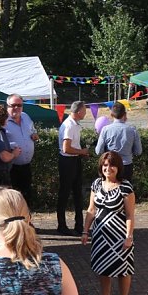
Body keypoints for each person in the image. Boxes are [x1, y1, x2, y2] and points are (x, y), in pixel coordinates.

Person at [81, 152, 136, 295]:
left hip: (119, 237)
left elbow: (130, 215)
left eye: (112, 165)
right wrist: (85, 231)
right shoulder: (97, 184)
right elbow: (91, 210)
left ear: (118, 167)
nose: (108, 168)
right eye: (105, 165)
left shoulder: (125, 187)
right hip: (100, 236)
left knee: (122, 271)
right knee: (102, 269)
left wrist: (129, 236)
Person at [57, 101, 89, 236]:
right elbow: (66, 148)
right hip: (67, 162)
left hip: (74, 160)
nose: (86, 113)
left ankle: (79, 225)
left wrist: (80, 153)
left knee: (77, 193)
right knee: (65, 194)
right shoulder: (69, 125)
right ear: (79, 111)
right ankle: (62, 225)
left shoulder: (74, 124)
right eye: (85, 110)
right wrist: (82, 151)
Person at [95, 102, 142, 182]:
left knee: (110, 188)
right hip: (126, 166)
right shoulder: (132, 130)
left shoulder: (105, 130)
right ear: (124, 114)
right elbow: (138, 151)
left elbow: (98, 151)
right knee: (125, 189)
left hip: (110, 166)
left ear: (111, 115)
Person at [5, 94, 39, 205]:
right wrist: (11, 147)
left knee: (26, 198)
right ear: (7, 106)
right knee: (13, 200)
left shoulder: (26, 117)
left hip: (26, 166)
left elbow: (33, 130)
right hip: (11, 167)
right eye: (13, 105)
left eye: (19, 105)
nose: (17, 108)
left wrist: (34, 134)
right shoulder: (3, 121)